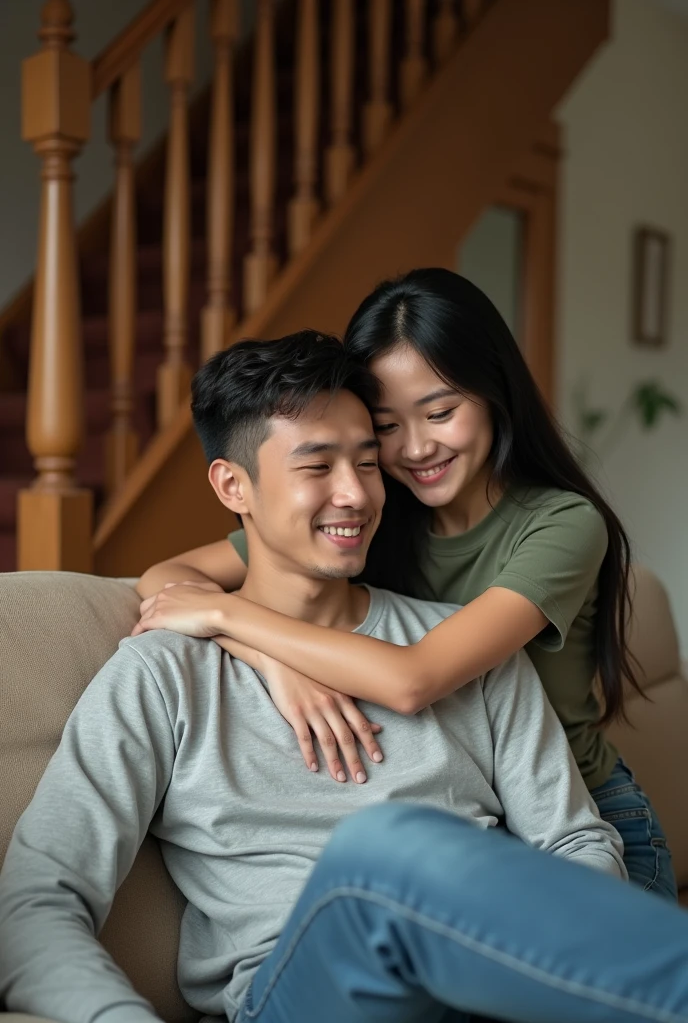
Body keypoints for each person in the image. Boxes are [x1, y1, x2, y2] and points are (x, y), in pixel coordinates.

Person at [0, 332, 630, 1023]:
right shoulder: (163, 672)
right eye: (317, 466)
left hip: (495, 975)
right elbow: (37, 903)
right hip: (307, 990)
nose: (356, 495)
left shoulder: (464, 646)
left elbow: (576, 842)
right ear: (233, 485)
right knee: (379, 873)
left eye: (367, 461)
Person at [136, 269, 676, 900]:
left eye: (440, 412)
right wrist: (275, 665)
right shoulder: (369, 514)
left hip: (582, 824)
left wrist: (231, 621)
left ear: (495, 391)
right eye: (387, 427)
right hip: (474, 830)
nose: (416, 449)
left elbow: (413, 679)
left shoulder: (560, 525)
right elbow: (168, 580)